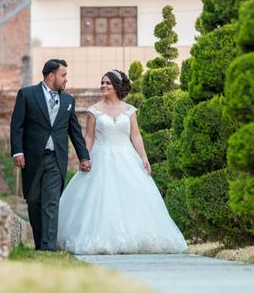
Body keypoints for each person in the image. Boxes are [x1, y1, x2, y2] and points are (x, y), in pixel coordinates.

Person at [57, 69, 187, 254]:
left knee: (134, 197)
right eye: (102, 82)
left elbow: (135, 136)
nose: (103, 86)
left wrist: (144, 158)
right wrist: (84, 158)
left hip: (127, 158)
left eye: (108, 83)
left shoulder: (130, 110)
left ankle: (135, 237)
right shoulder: (93, 111)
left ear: (117, 87)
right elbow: (89, 138)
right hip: (101, 158)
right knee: (101, 198)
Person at [10, 59, 91, 251]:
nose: (66, 80)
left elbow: (75, 131)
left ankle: (48, 247)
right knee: (34, 200)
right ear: (51, 75)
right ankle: (40, 243)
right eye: (63, 75)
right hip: (32, 158)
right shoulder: (27, 94)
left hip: (56, 158)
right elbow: (17, 126)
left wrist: (84, 157)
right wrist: (17, 151)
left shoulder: (68, 100)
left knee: (51, 202)